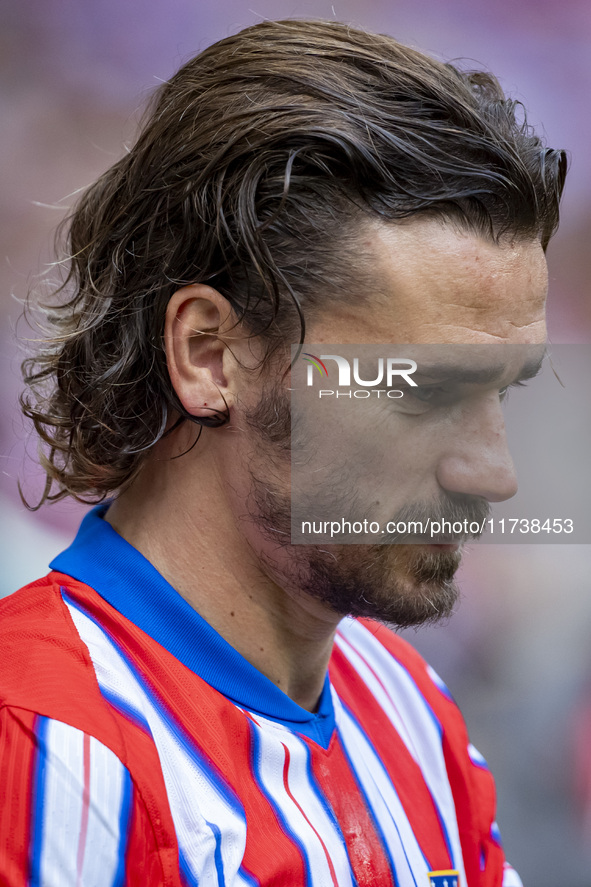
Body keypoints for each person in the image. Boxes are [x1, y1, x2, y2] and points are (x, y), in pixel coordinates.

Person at [1, 18, 566, 887]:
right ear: (208, 355)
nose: (493, 473)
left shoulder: (411, 711)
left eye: (502, 392)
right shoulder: (41, 748)